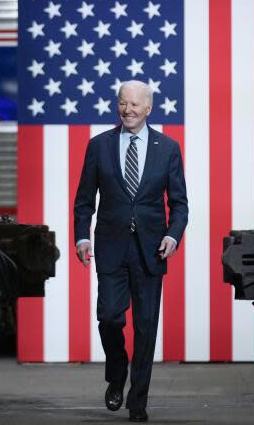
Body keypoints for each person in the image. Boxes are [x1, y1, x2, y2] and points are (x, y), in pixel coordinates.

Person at [74, 80, 188, 422]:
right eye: (123, 103)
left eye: (135, 105)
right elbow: (84, 201)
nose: (128, 110)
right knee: (109, 316)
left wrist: (173, 236)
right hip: (110, 248)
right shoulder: (99, 146)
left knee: (145, 327)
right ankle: (117, 369)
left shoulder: (168, 148)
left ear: (149, 109)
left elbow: (180, 205)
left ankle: (137, 401)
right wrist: (82, 237)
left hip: (151, 251)